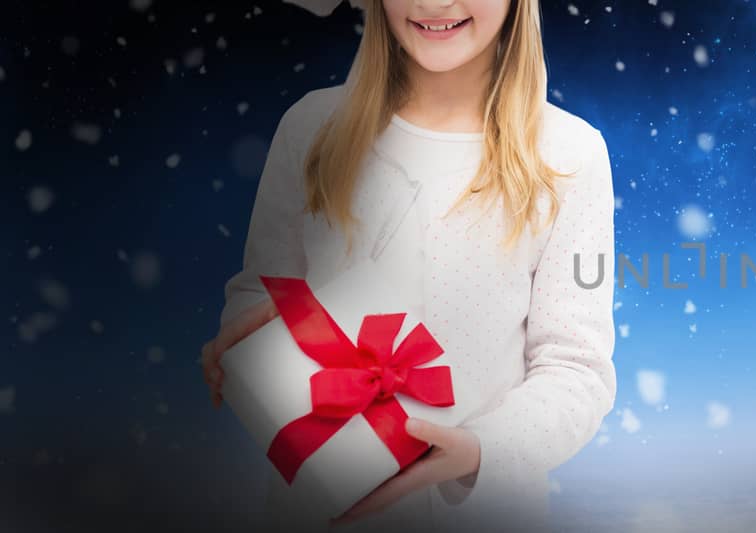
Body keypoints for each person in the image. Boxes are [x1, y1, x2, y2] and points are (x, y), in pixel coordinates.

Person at [197, 0, 616, 530]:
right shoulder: (311, 127)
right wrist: (246, 349)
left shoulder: (569, 154)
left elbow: (577, 369)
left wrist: (479, 449)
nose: (434, 4)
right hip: (317, 502)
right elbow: (261, 290)